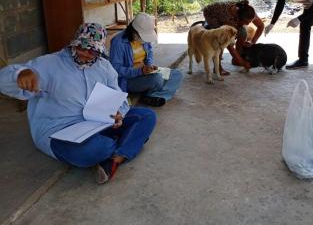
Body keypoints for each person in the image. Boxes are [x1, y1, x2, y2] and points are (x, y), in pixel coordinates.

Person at [0, 23, 157, 184]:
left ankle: (116, 158)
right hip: (59, 130)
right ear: (74, 43)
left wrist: (120, 114)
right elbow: (3, 80)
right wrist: (19, 75)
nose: (88, 54)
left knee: (147, 116)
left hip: (98, 123)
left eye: (94, 51)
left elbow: (120, 98)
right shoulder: (48, 64)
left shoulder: (104, 67)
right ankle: (127, 143)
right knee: (94, 149)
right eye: (84, 47)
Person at [109, 12, 183, 107]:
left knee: (177, 74)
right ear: (134, 31)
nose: (144, 40)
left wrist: (150, 65)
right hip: (128, 79)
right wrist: (139, 71)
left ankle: (152, 96)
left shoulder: (142, 40)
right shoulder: (118, 42)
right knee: (157, 79)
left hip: (145, 73)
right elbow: (115, 69)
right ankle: (153, 93)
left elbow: (150, 53)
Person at [202, 0, 265, 74]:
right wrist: (243, 63)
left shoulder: (249, 13)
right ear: (237, 19)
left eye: (249, 22)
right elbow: (229, 45)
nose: (247, 24)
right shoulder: (229, 18)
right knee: (220, 40)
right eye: (245, 22)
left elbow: (261, 26)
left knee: (243, 33)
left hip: (229, 13)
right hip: (211, 13)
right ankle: (217, 68)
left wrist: (252, 42)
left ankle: (236, 60)